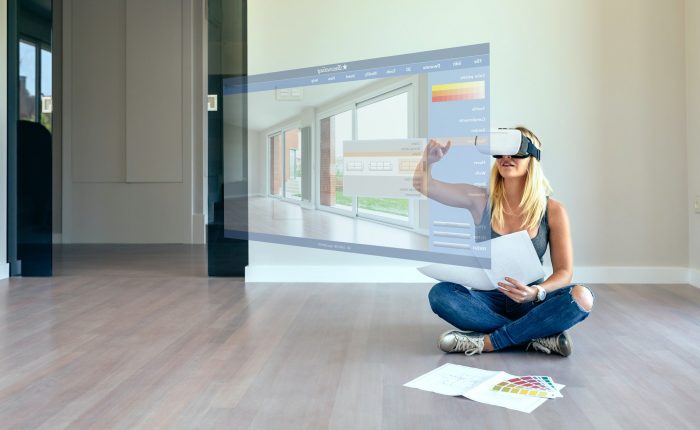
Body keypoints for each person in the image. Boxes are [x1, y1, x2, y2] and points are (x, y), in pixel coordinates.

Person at [412, 126, 594, 357]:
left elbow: (564, 272)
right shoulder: (480, 200)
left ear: (532, 158)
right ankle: (534, 335)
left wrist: (536, 292)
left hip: (532, 299)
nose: (507, 158)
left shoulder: (553, 210)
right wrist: (428, 161)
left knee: (582, 296)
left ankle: (488, 342)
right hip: (487, 299)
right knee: (440, 295)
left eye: (516, 151)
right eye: (501, 152)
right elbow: (423, 185)